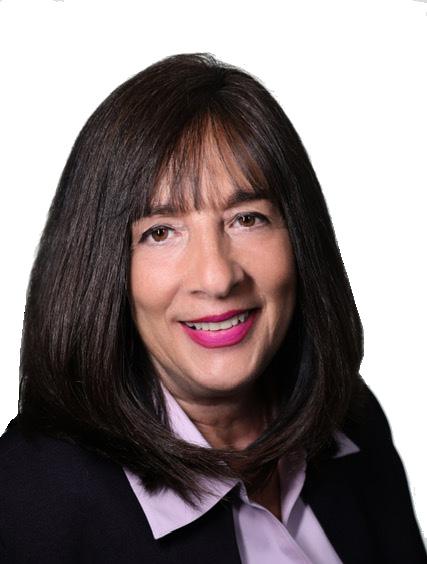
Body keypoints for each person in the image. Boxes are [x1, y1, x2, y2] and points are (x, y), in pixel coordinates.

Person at [0, 53, 425, 564]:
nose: (217, 278)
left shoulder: (352, 420)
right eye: (161, 232)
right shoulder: (29, 501)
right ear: (101, 266)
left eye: (247, 218)